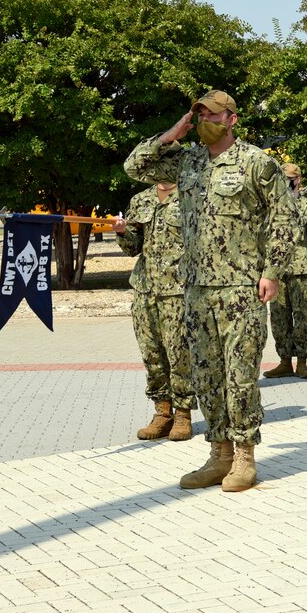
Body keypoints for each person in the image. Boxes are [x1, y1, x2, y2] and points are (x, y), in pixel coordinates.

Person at [124, 89, 296, 491]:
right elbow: (135, 165)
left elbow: (284, 220)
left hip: (240, 287)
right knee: (207, 375)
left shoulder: (257, 162)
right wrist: (177, 130)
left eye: (212, 115)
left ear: (232, 119)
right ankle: (218, 454)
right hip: (195, 288)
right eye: (198, 114)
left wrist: (271, 271)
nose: (205, 120)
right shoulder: (186, 161)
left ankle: (243, 456)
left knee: (239, 375)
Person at [114, 182, 196, 441]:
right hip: (145, 288)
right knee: (151, 353)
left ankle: (183, 413)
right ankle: (162, 412)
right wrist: (122, 231)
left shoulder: (191, 195)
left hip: (178, 288)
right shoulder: (141, 199)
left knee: (179, 353)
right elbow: (132, 247)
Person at [263, 164, 307, 379]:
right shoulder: (271, 207)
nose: (285, 181)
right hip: (277, 271)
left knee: (302, 317)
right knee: (279, 318)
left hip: (301, 270)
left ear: (299, 180)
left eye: (289, 178)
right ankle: (284, 361)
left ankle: (303, 361)